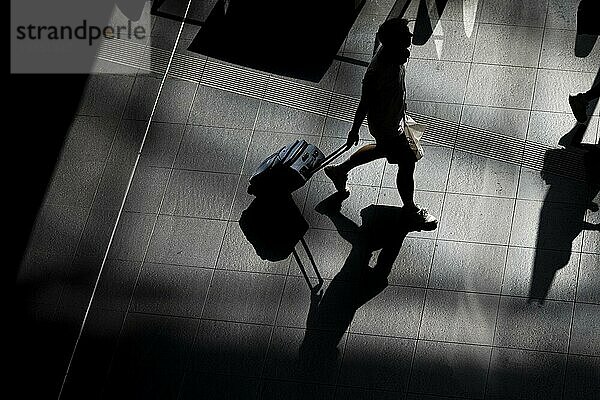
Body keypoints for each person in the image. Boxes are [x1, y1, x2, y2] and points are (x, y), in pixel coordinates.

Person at [324, 18, 437, 225]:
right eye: (405, 34)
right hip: (387, 125)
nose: (410, 37)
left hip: (396, 116)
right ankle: (410, 210)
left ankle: (339, 171)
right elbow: (364, 102)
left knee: (382, 150)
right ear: (394, 41)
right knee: (407, 163)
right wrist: (354, 130)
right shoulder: (377, 72)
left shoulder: (398, 54)